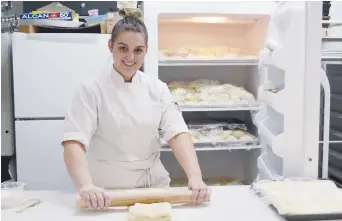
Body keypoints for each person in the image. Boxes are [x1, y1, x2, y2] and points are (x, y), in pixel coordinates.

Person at [62, 10, 211, 210]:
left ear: (146, 49)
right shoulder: (91, 90)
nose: (130, 57)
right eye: (123, 48)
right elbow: (74, 142)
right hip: (106, 195)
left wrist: (195, 177)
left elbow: (177, 134)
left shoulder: (157, 89)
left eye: (138, 50)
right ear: (110, 46)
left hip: (154, 189)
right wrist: (86, 186)